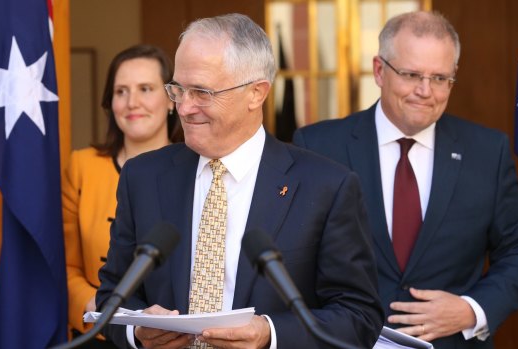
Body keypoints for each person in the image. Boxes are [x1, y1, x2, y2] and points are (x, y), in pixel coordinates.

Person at [96, 13, 384, 349]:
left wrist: (271, 333)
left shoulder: (326, 187)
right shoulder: (143, 177)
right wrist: (138, 332)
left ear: (256, 94)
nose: (185, 108)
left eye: (202, 92)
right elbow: (112, 297)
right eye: (179, 89)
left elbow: (358, 316)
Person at [293, 11, 518, 349]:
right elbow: (294, 255)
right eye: (411, 74)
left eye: (440, 78)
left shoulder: (487, 151)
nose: (425, 91)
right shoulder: (319, 146)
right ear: (380, 71)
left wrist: (471, 310)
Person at [63, 44, 182, 348]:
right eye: (121, 91)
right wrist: (100, 310)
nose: (132, 102)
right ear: (110, 102)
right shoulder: (81, 167)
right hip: (98, 332)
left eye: (145, 88)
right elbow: (65, 265)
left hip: (176, 336)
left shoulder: (198, 168)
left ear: (172, 100)